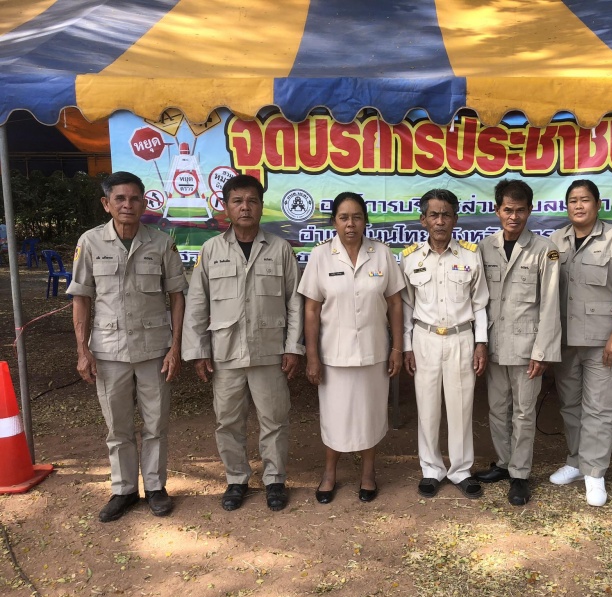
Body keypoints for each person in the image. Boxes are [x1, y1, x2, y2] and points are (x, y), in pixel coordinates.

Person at [67, 171, 187, 522]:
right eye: (119, 198)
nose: (127, 205)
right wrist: (82, 351)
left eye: (134, 198)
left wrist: (176, 347)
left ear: (144, 203)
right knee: (117, 428)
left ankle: (155, 488)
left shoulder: (161, 243)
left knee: (156, 424)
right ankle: (124, 490)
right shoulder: (90, 242)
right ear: (106, 204)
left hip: (154, 350)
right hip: (108, 351)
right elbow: (81, 298)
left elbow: (177, 296)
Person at [182, 174, 304, 512]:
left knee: (274, 419)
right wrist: (198, 352)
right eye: (237, 201)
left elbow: (295, 302)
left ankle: (274, 480)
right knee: (228, 421)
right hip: (226, 352)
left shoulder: (279, 249)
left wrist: (293, 347)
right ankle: (236, 479)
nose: (245, 207)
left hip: (269, 351)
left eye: (252, 201)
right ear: (226, 207)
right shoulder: (211, 250)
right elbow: (197, 303)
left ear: (261, 206)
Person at [299, 192, 404, 503]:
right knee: (335, 418)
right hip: (334, 356)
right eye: (343, 217)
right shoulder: (321, 255)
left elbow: (395, 303)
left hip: (374, 353)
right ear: (334, 221)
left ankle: (368, 473)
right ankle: (329, 473)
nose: (350, 224)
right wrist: (312, 356)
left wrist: (397, 348)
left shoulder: (382, 254)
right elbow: (311, 309)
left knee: (370, 415)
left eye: (357, 217)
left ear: (365, 221)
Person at [548, 180, 612, 507]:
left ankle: (595, 472)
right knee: (570, 405)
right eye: (573, 200)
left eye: (585, 200)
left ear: (598, 204)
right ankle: (576, 462)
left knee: (600, 408)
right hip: (566, 340)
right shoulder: (556, 240)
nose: (578, 205)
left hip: (604, 341)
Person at [474, 179, 561, 506]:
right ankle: (504, 463)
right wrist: (480, 342)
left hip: (527, 349)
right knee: (497, 409)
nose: (514, 216)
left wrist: (543, 351)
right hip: (495, 345)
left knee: (524, 413)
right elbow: (478, 301)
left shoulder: (544, 250)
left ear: (530, 211)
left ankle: (520, 474)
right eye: (508, 210)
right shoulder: (485, 247)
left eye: (520, 210)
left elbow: (551, 304)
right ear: (497, 210)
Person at [400, 189, 489, 500]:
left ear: (455, 219)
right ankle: (431, 469)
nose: (440, 221)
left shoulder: (470, 255)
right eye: (434, 215)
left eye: (446, 215)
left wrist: (481, 343)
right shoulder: (410, 257)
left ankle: (461, 470)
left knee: (461, 407)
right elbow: (406, 306)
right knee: (427, 407)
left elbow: (480, 303)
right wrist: (406, 346)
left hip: (461, 338)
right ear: (423, 220)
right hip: (424, 339)